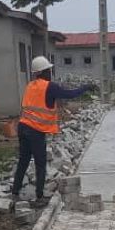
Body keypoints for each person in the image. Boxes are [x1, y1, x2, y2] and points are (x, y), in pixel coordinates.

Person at [11, 56, 94, 208]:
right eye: (49, 70)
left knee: (23, 161)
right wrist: (86, 87)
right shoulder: (49, 87)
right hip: (35, 130)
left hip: (23, 127)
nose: (51, 72)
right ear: (43, 72)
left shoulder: (30, 86)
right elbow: (70, 94)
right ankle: (39, 196)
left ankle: (15, 193)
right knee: (40, 163)